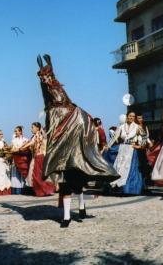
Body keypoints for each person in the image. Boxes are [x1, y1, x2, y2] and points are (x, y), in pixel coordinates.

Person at [36, 54, 118, 228]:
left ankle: (80, 207)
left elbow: (62, 103)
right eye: (44, 77)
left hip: (72, 139)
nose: (46, 79)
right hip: (61, 141)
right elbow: (51, 106)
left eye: (48, 76)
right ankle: (67, 216)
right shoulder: (50, 96)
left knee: (77, 179)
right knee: (66, 182)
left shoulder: (64, 100)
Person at [109, 111, 146, 195]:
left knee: (130, 169)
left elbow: (144, 136)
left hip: (132, 150)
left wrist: (139, 146)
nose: (131, 118)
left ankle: (129, 189)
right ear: (127, 116)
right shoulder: (121, 127)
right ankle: (119, 188)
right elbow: (114, 138)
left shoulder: (137, 127)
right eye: (130, 116)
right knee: (119, 168)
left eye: (133, 116)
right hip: (122, 149)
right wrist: (108, 146)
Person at [20, 122, 55, 197]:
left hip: (38, 157)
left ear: (37, 128)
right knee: (36, 174)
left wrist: (22, 148)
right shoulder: (35, 136)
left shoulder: (38, 135)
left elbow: (31, 143)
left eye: (32, 127)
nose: (31, 129)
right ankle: (41, 190)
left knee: (37, 175)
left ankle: (43, 190)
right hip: (36, 157)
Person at [10, 126, 29, 194]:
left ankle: (23, 189)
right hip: (15, 158)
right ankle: (16, 189)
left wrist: (19, 149)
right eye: (15, 131)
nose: (15, 132)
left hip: (23, 158)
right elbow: (12, 149)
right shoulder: (13, 140)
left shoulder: (25, 140)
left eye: (16, 131)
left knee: (23, 173)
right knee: (15, 174)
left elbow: (26, 149)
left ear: (20, 131)